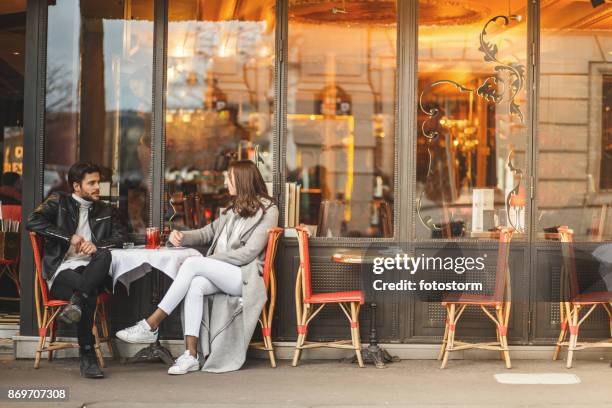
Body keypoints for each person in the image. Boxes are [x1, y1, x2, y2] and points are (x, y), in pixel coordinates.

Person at [116, 160, 278, 374]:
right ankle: (191, 355)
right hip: (224, 273)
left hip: (245, 277)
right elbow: (207, 233)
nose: (225, 181)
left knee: (193, 264)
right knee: (196, 284)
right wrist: (182, 236)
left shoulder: (268, 210)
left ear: (242, 180)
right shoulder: (231, 210)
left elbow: (248, 252)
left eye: (228, 177)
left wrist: (209, 261)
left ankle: (151, 324)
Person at [27, 162, 127, 378]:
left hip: (93, 269)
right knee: (88, 293)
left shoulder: (106, 210)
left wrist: (97, 247)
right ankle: (87, 354)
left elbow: (121, 238)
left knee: (104, 255)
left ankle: (76, 303)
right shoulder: (59, 202)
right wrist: (68, 237)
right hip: (62, 272)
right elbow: (32, 221)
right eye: (91, 183)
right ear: (76, 186)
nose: (97, 187)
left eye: (98, 182)